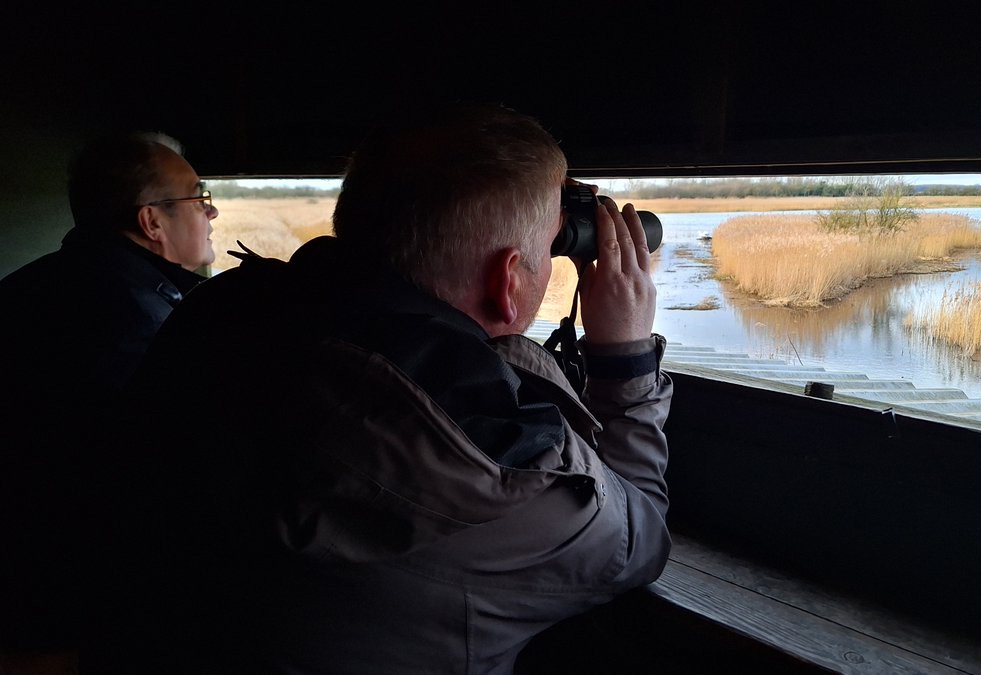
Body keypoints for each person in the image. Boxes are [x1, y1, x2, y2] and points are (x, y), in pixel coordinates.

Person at [101, 103, 672, 674]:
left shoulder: (219, 314)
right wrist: (624, 357)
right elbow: (640, 539)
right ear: (508, 279)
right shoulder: (513, 469)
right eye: (551, 244)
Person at [0, 132, 218, 671]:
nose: (211, 211)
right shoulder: (136, 321)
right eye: (197, 196)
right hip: (78, 608)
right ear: (151, 222)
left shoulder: (35, 284)